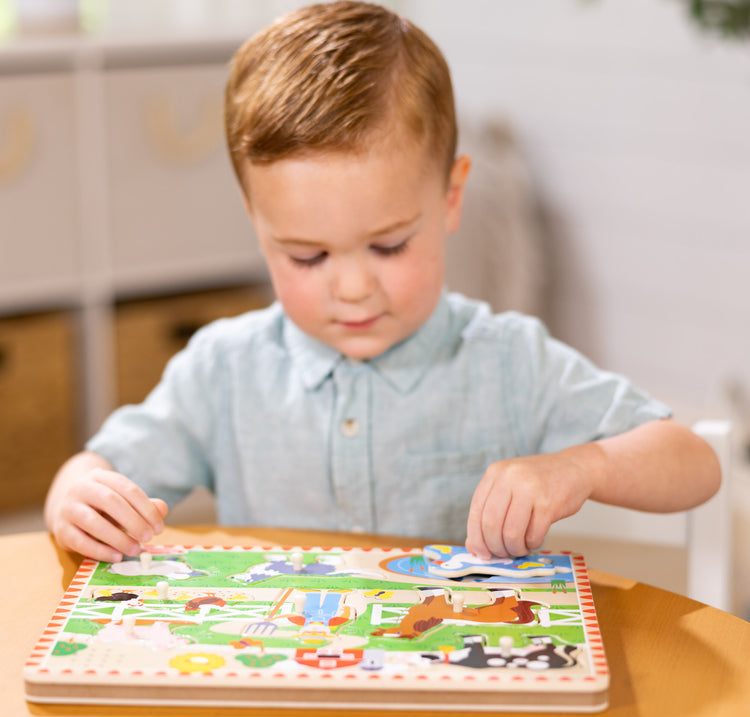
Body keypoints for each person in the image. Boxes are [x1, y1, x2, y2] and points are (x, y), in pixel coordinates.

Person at [44, 1, 721, 564]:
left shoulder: (508, 361)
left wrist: (580, 468)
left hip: (452, 697)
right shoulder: (225, 369)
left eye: (389, 245)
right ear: (257, 223)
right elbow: (92, 470)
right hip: (285, 699)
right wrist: (80, 497)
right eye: (308, 257)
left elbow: (691, 462)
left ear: (452, 198)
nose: (353, 288)